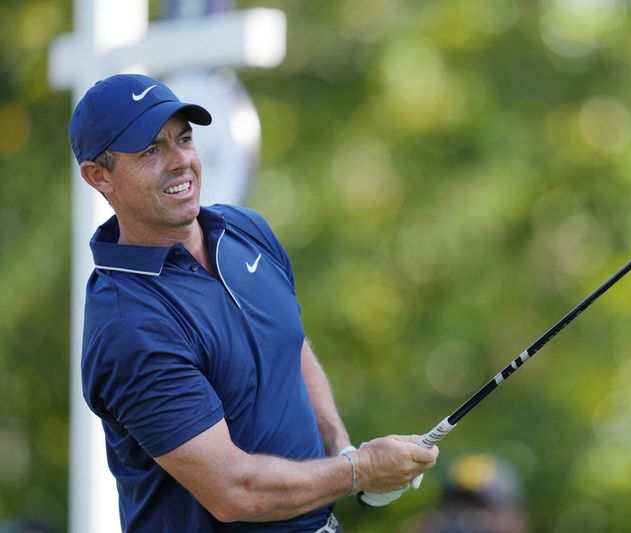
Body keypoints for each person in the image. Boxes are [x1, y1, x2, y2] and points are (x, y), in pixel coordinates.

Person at [71, 73, 438, 532]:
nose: (180, 161)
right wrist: (359, 470)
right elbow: (233, 492)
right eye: (151, 150)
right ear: (98, 175)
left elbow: (290, 348)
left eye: (184, 139)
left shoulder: (245, 231)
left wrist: (341, 448)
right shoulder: (129, 324)